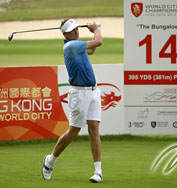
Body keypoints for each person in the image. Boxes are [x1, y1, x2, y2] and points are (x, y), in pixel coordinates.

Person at [42, 18, 103, 183]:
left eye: (76, 29)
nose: (75, 32)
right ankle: (51, 160)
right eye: (71, 31)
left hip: (93, 91)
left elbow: (91, 50)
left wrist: (92, 32)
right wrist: (95, 29)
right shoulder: (71, 46)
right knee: (74, 131)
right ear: (64, 34)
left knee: (94, 129)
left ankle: (98, 172)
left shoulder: (78, 45)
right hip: (79, 94)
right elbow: (98, 42)